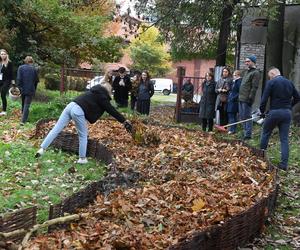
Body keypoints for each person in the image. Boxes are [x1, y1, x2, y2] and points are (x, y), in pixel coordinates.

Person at [35, 77, 133, 164]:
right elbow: (112, 111)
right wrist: (124, 121)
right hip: (78, 111)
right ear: (108, 91)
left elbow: (105, 78)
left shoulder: (94, 90)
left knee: (56, 129)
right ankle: (82, 158)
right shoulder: (103, 97)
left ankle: (42, 149)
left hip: (70, 105)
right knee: (83, 135)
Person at [259, 68, 300, 171]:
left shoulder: (271, 82)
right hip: (287, 113)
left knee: (266, 133)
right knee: (284, 139)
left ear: (273, 73)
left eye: (270, 76)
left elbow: (264, 99)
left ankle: (261, 158)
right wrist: (289, 107)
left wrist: (262, 112)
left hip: (274, 112)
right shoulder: (289, 83)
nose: (270, 77)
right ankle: (284, 165)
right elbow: (298, 97)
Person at [238, 55, 260, 140]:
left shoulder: (256, 73)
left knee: (247, 117)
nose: (246, 63)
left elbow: (254, 87)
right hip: (241, 98)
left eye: (248, 61)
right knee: (242, 116)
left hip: (247, 99)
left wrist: (250, 98)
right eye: (246, 61)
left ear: (253, 62)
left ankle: (248, 135)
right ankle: (244, 132)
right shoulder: (247, 72)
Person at [17, 56, 39, 124]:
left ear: (25, 61)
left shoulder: (20, 68)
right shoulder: (34, 69)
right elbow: (36, 81)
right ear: (32, 62)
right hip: (30, 89)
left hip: (22, 88)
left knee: (23, 103)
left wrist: (19, 87)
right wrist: (34, 89)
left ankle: (23, 117)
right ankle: (23, 121)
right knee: (27, 104)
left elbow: (19, 78)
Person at [226, 70, 242, 134]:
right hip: (231, 100)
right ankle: (232, 129)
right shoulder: (234, 82)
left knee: (232, 115)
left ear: (238, 75)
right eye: (233, 75)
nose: (233, 76)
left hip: (234, 101)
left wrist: (233, 98)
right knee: (231, 115)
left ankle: (232, 130)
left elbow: (239, 92)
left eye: (234, 75)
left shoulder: (239, 81)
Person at [0, 49, 15, 116]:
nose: (3, 55)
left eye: (4, 54)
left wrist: (13, 82)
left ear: (6, 55)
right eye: (1, 54)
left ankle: (4, 110)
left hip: (7, 80)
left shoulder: (9, 62)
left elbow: (12, 73)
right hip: (0, 79)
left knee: (3, 93)